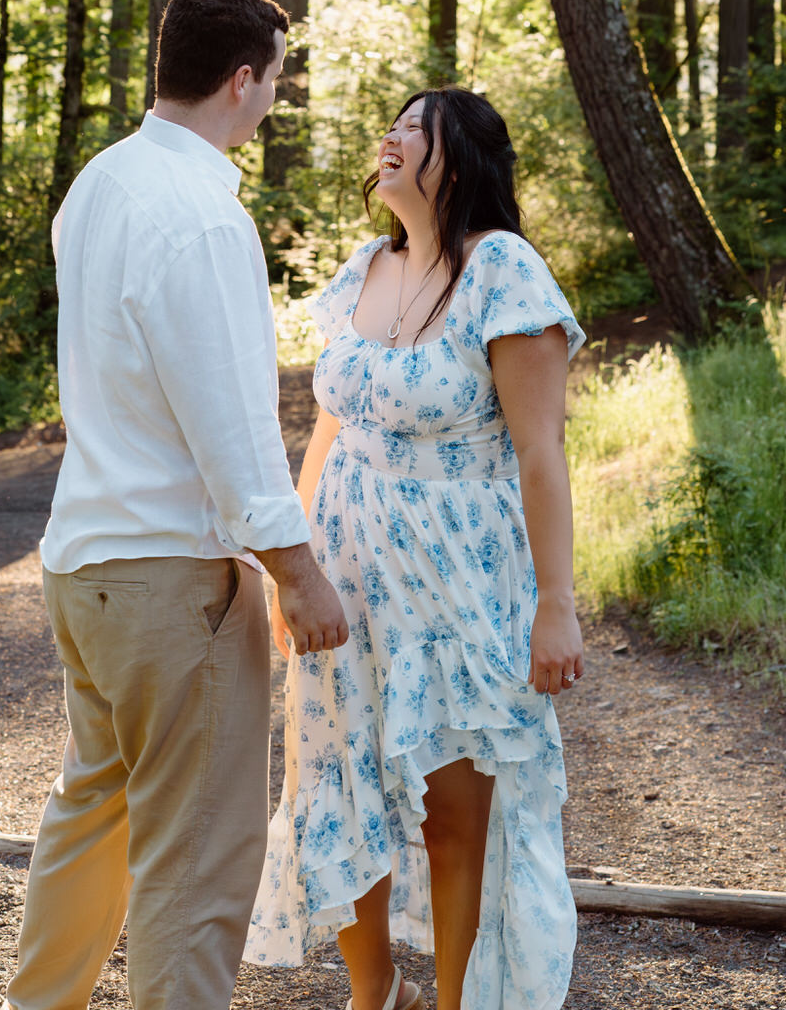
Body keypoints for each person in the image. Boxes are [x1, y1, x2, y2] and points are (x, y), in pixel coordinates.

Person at [2, 0, 347, 1010]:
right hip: (171, 582)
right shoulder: (202, 217)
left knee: (93, 813)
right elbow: (231, 423)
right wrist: (295, 571)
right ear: (242, 81)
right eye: (276, 81)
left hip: (85, 566)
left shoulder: (99, 184)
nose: (274, 100)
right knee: (197, 859)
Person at [244, 88, 586, 1010]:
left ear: (460, 158)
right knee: (338, 785)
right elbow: (328, 427)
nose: (388, 136)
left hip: (458, 589)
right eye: (389, 122)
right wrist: (292, 566)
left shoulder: (503, 271)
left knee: (450, 820)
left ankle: (455, 1003)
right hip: (346, 585)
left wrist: (556, 602)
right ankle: (373, 993)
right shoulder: (364, 267)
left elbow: (541, 454)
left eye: (412, 126)